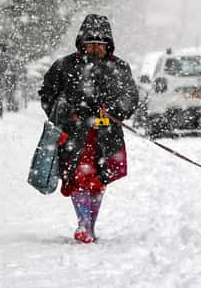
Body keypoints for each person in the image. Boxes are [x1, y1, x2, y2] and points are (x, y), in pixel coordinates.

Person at [38, 14, 138, 243]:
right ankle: (83, 223)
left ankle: (90, 225)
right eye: (90, 43)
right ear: (81, 43)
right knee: (79, 177)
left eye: (100, 44)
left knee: (99, 179)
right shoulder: (63, 66)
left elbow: (130, 97)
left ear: (109, 44)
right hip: (74, 135)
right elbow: (47, 95)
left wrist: (114, 111)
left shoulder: (120, 68)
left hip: (107, 136)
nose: (95, 49)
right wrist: (65, 112)